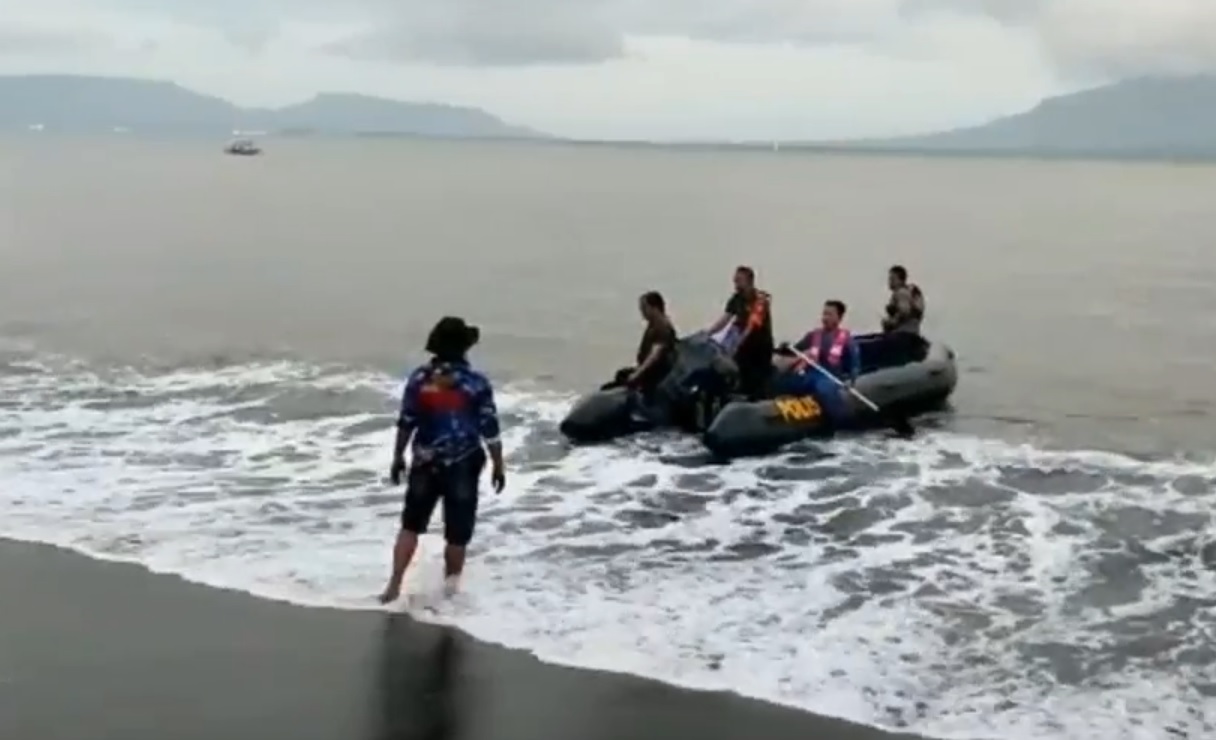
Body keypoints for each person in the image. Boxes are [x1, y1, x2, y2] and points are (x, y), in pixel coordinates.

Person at [379, 316, 507, 605]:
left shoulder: (419, 379)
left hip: (425, 460)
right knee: (457, 533)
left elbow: (407, 421)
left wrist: (398, 456)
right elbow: (490, 427)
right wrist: (499, 464)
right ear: (465, 347)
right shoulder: (475, 383)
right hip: (463, 462)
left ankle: (393, 585)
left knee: (410, 525)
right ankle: (449, 594)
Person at [774, 300, 860, 421]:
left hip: (829, 377)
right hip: (810, 375)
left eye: (829, 315)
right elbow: (795, 350)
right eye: (824, 314)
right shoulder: (813, 335)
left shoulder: (847, 340)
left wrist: (851, 382)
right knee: (782, 382)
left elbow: (854, 364)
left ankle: (840, 419)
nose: (825, 318)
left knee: (824, 389)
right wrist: (785, 348)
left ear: (839, 318)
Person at [705, 265, 774, 399]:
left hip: (758, 346)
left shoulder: (760, 301)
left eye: (739, 280)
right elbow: (725, 319)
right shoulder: (736, 298)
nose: (735, 284)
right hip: (742, 343)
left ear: (749, 281)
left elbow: (751, 327)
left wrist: (736, 346)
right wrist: (707, 334)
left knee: (750, 370)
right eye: (735, 280)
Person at [881, 265, 926, 335]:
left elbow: (904, 311)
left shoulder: (901, 292)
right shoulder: (909, 292)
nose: (889, 282)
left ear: (901, 280)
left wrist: (891, 322)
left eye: (892, 279)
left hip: (902, 334)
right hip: (913, 332)